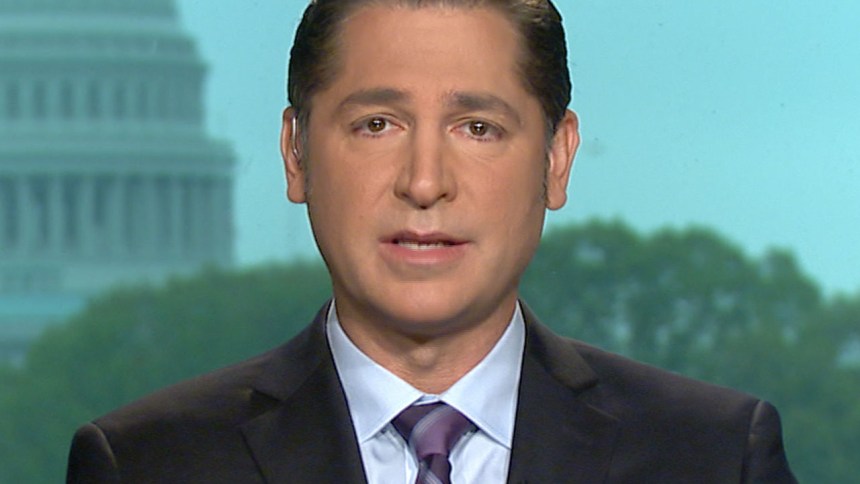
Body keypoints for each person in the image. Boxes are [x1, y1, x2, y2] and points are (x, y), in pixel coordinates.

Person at [67, 1, 798, 482]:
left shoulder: (713, 457)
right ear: (296, 153)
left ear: (556, 160)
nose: (424, 182)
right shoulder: (145, 465)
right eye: (376, 125)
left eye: (478, 128)